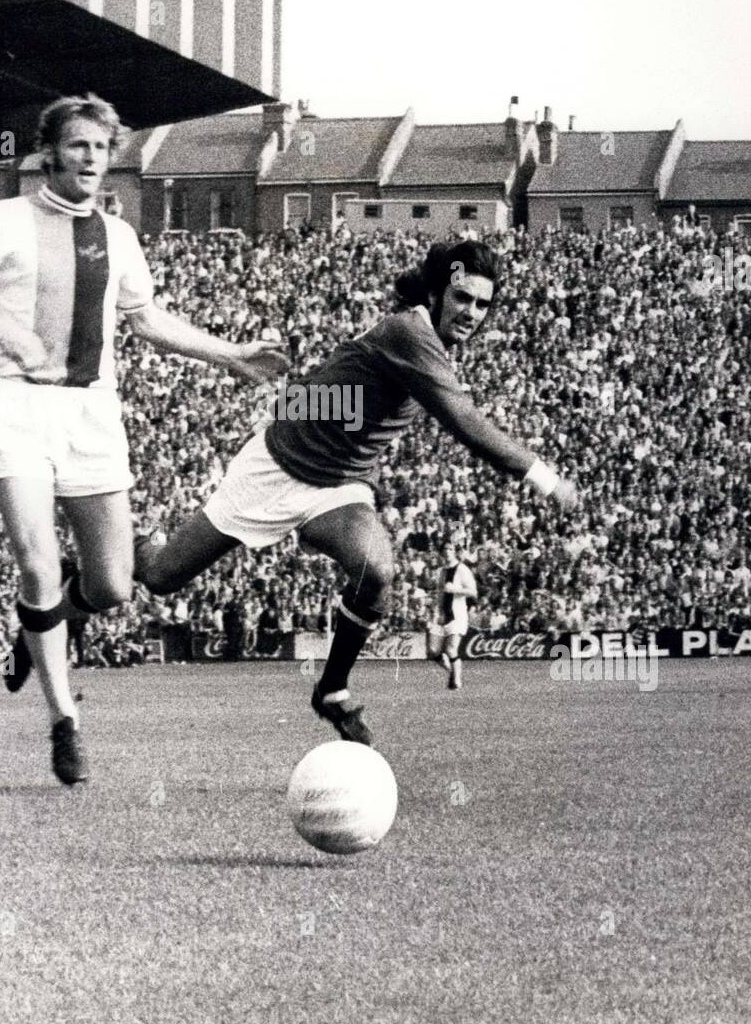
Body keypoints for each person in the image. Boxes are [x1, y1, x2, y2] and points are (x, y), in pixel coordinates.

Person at [0, 93, 287, 785]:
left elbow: (146, 319)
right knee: (32, 563)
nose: (89, 159)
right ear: (50, 152)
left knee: (114, 586)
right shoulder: (4, 219)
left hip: (91, 414)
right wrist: (6, 331)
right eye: (77, 146)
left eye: (99, 148)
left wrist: (230, 353)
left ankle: (45, 616)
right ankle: (64, 721)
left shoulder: (117, 236)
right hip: (18, 407)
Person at [132, 240, 579, 747]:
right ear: (434, 293)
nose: (472, 312)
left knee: (376, 573)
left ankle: (332, 690)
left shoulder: (421, 339)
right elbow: (466, 425)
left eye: (482, 304)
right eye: (462, 298)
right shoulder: (410, 331)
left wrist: (304, 399)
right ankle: (134, 544)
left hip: (340, 484)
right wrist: (547, 479)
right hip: (276, 468)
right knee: (161, 578)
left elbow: (341, 388)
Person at [433, 542, 478, 691]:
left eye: (450, 549)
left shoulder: (462, 570)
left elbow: (473, 592)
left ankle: (456, 682)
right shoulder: (440, 571)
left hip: (457, 614)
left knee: (451, 649)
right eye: (444, 549)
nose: (447, 551)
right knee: (433, 651)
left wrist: (455, 589)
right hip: (442, 615)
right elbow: (439, 594)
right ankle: (453, 671)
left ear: (455, 552)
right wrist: (435, 612)